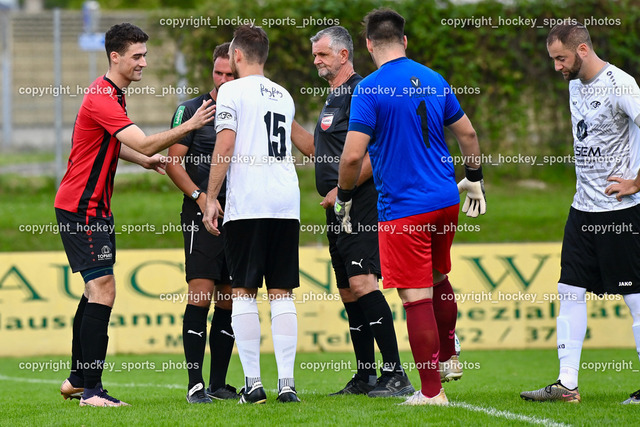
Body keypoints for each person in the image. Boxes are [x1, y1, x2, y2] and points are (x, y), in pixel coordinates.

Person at [56, 22, 215, 407]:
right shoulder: (102, 97)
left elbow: (115, 143)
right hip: (82, 209)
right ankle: (92, 391)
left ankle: (78, 379)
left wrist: (143, 159)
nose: (144, 62)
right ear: (116, 57)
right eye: (137, 56)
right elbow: (140, 138)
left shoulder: (111, 94)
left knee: (94, 289)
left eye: (145, 54)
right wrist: (188, 126)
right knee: (103, 290)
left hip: (92, 209)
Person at [336, 8, 485, 406]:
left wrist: (345, 198)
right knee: (437, 279)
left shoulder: (369, 89)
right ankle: (450, 354)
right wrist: (475, 176)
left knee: (414, 297)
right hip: (444, 201)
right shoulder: (434, 79)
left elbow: (351, 158)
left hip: (405, 209)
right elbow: (468, 133)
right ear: (405, 41)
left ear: (368, 45)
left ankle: (432, 392)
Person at [520, 23, 640, 405]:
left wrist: (637, 182)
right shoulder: (575, 85)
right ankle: (566, 385)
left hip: (620, 211)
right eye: (554, 59)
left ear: (583, 50)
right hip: (581, 209)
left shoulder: (621, 85)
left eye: (561, 58)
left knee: (635, 297)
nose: (557, 67)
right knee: (569, 290)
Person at [290, 26, 413, 397]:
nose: (316, 61)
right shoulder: (333, 98)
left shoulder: (361, 90)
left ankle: (395, 374)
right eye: (314, 55)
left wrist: (342, 191)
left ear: (344, 56)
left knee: (363, 283)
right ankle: (366, 375)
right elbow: (318, 150)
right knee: (348, 290)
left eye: (322, 54)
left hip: (358, 203)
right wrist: (282, 116)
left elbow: (374, 154)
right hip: (337, 208)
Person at [202, 25, 300, 404]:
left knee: (242, 289)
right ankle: (288, 384)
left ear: (237, 56)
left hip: (249, 202)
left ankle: (254, 383)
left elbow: (224, 144)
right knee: (281, 291)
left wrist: (211, 197)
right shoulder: (285, 94)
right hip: (285, 202)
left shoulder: (230, 90)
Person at [166, 42, 239, 404]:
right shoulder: (190, 110)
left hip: (238, 215)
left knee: (228, 299)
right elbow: (173, 163)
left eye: (230, 74)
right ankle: (195, 384)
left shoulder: (245, 109)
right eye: (218, 73)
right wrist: (200, 197)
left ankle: (218, 384)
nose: (224, 80)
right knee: (200, 293)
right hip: (200, 213)